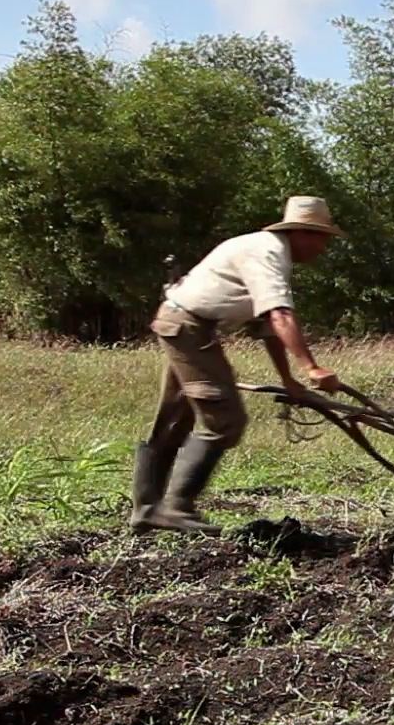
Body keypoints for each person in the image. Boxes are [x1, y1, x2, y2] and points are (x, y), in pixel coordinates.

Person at [129, 196, 346, 535]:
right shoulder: (268, 253)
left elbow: (268, 328)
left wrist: (289, 379)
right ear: (303, 233)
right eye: (323, 239)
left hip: (183, 323)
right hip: (188, 327)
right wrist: (312, 368)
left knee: (176, 417)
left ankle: (146, 508)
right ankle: (174, 506)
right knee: (225, 420)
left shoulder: (269, 253)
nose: (324, 249)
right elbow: (280, 315)